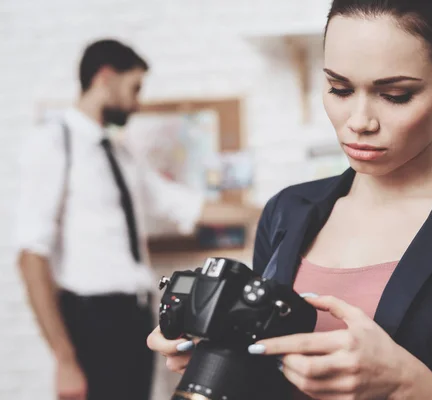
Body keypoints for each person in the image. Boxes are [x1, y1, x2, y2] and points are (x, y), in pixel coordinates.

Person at [147, 0, 432, 399]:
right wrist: (217, 358)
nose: (359, 122)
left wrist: (402, 382)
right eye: (339, 88)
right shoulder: (287, 212)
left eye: (395, 95)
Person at [16, 38, 257, 400]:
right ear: (105, 78)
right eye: (134, 87)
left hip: (134, 318)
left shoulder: (120, 152)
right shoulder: (54, 143)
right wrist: (64, 360)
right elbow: (31, 257)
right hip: (91, 320)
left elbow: (181, 205)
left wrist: (267, 211)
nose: (137, 100)